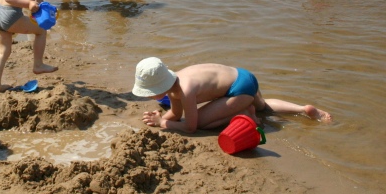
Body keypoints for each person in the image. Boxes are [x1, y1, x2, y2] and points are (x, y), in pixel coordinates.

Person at [132, 57, 332, 134]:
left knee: (200, 122)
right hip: (243, 75)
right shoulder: (178, 80)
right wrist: (163, 117)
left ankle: (245, 111)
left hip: (238, 90)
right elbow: (175, 114)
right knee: (264, 106)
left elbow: (190, 127)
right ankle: (302, 109)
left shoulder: (184, 92)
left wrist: (162, 124)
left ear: (159, 89)